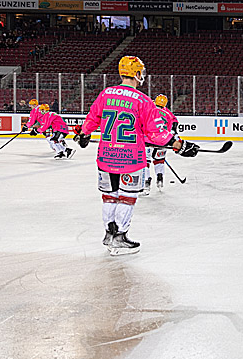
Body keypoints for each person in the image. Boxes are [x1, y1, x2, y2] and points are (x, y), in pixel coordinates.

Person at [77, 56, 197, 255]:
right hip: (130, 159)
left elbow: (91, 119)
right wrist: (180, 145)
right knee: (127, 198)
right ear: (138, 74)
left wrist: (83, 134)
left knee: (109, 196)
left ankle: (109, 235)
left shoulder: (106, 94)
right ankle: (120, 238)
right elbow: (157, 134)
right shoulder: (143, 101)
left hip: (106, 156)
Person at [149, 94, 178, 191]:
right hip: (163, 140)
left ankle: (146, 182)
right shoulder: (169, 114)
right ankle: (160, 179)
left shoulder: (150, 109)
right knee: (159, 160)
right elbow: (174, 126)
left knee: (145, 161)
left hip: (149, 139)